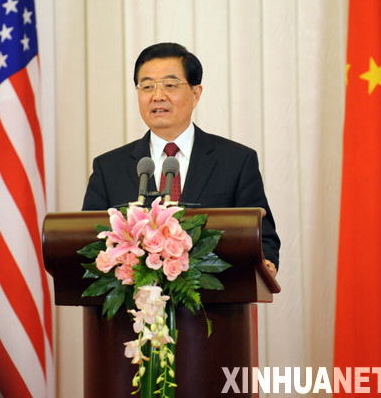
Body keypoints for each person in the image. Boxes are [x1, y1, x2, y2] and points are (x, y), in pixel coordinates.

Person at [83, 42, 280, 275]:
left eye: (170, 85)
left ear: (196, 93)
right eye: (147, 86)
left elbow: (263, 239)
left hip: (217, 307)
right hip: (133, 307)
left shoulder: (236, 161)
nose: (157, 96)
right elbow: (88, 241)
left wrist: (266, 264)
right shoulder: (109, 168)